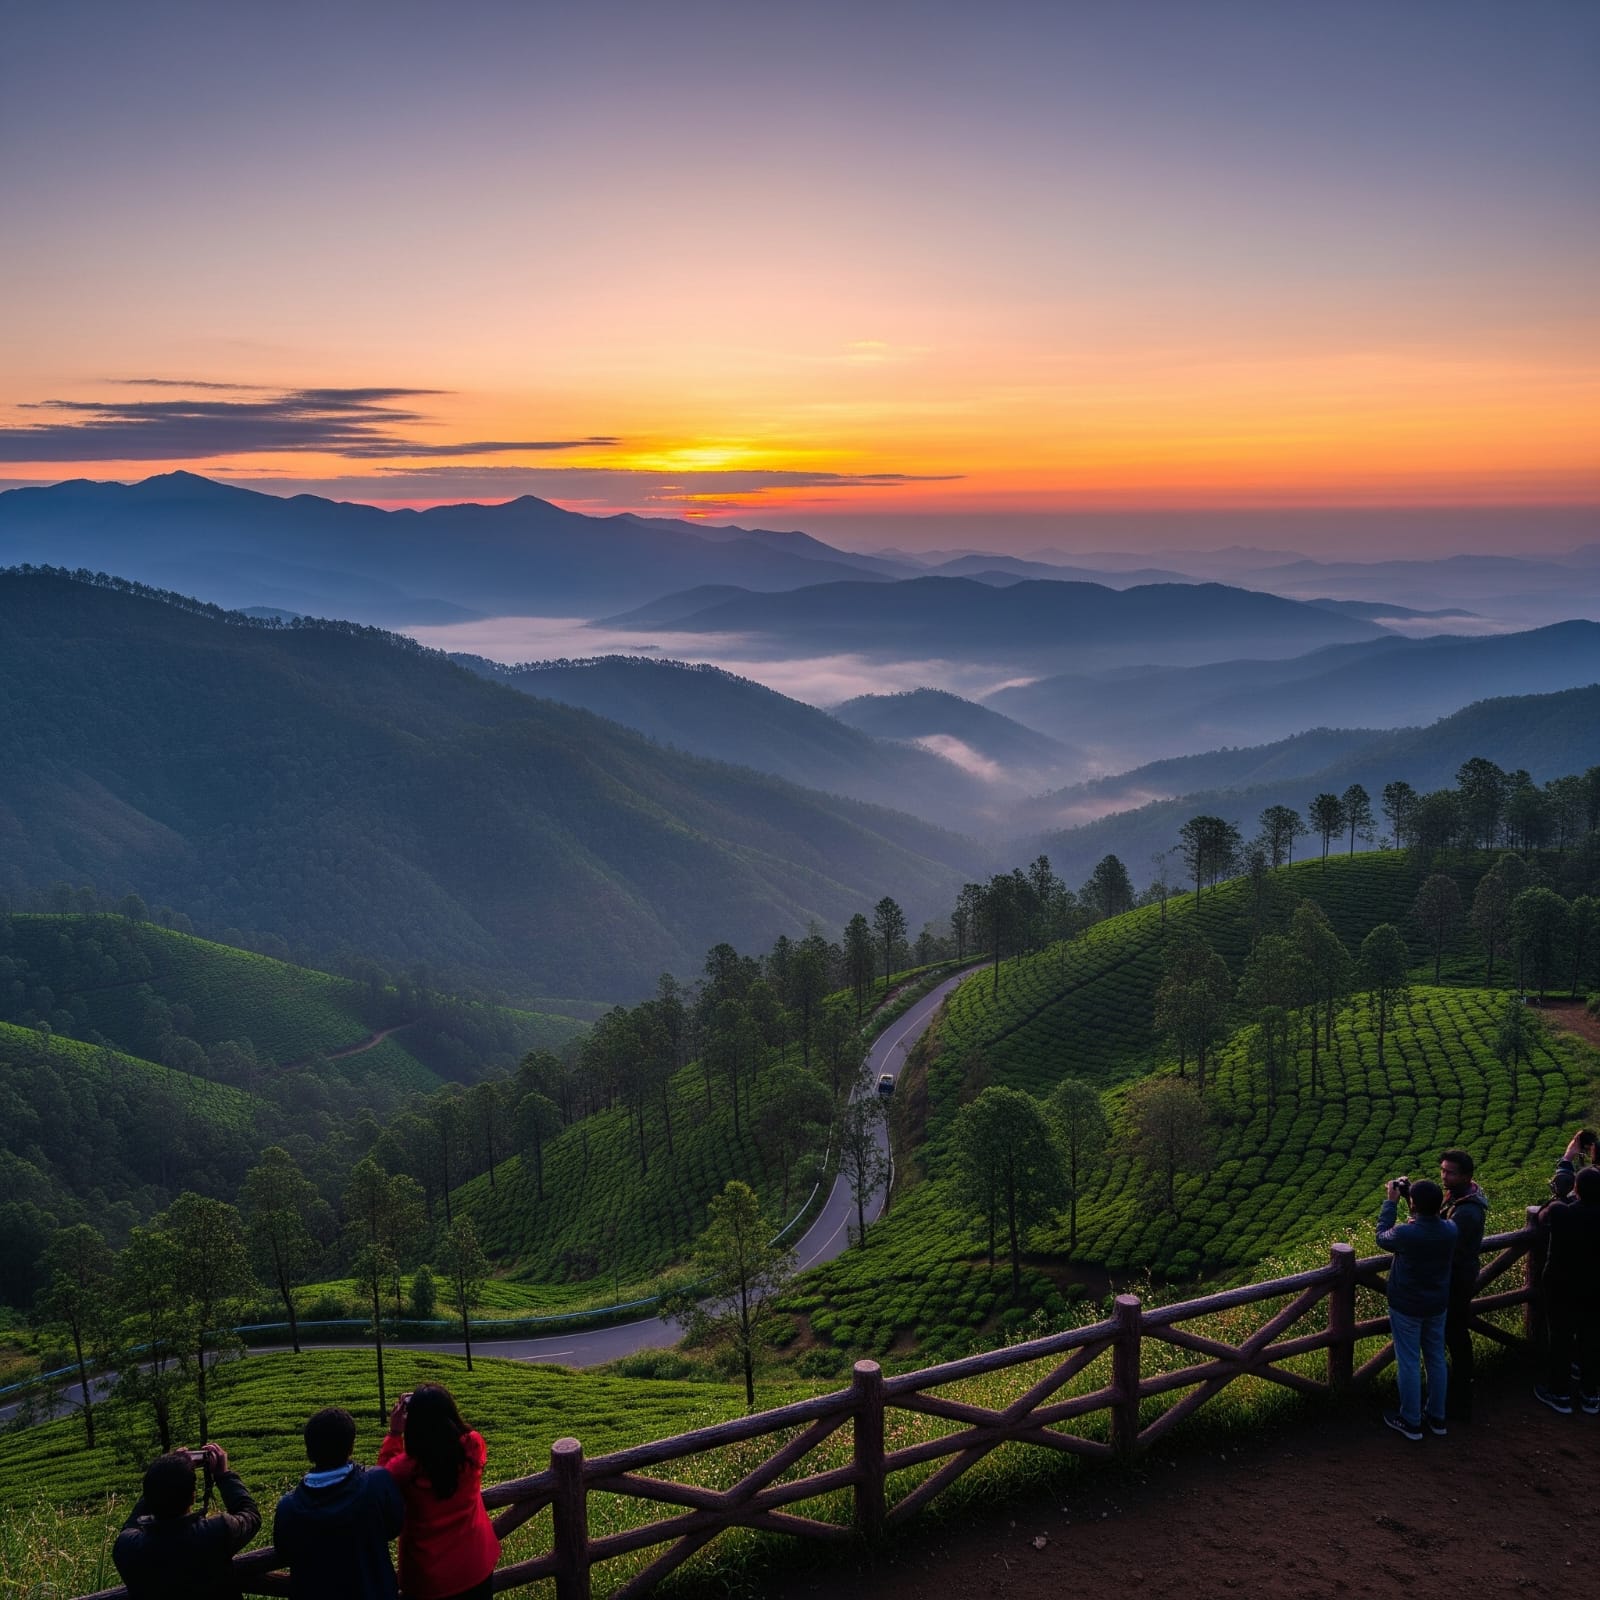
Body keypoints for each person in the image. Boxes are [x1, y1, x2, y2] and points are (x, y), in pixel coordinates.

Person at [378, 1384, 500, 1600]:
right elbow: (460, 1437)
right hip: (476, 1564)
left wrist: (395, 1434)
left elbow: (382, 1484)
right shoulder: (472, 1446)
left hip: (429, 1580)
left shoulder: (404, 1470)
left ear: (413, 1424)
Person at [274, 1405, 405, 1599]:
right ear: (351, 1446)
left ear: (309, 1451)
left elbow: (285, 1554)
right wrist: (395, 1433)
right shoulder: (376, 1484)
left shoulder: (287, 1507)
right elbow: (394, 1526)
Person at [112, 1442, 261, 1599]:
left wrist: (163, 1475)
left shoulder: (127, 1548)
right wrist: (223, 1475)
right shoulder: (216, 1531)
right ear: (192, 1496)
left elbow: (132, 1524)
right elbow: (250, 1514)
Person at [1376, 1176, 1456, 1441]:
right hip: (1437, 1304)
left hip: (1407, 1305)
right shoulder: (1451, 1229)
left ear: (1412, 1204)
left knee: (1409, 1361)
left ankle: (1410, 1421)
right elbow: (1435, 1221)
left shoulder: (1406, 1233)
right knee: (1435, 1357)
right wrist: (1414, 1200)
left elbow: (1382, 1236)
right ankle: (1437, 1416)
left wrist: (1391, 1202)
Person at [1535, 1164, 1600, 1415]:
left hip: (1562, 1284)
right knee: (1592, 1337)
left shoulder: (1563, 1212)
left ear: (1576, 1188)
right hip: (1595, 1287)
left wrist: (1559, 1196)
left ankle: (1559, 1394)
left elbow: (1542, 1215)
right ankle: (1590, 1395)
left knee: (1560, 1337)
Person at [1437, 1146, 1488, 1422]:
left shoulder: (1467, 1211)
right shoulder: (1462, 1197)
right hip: (1457, 1276)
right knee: (1455, 1335)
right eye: (1443, 1170)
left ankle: (1458, 1398)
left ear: (1467, 1176)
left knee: (1455, 1336)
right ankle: (1457, 1394)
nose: (1444, 1177)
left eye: (1451, 1173)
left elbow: (1443, 1242)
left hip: (1456, 1280)